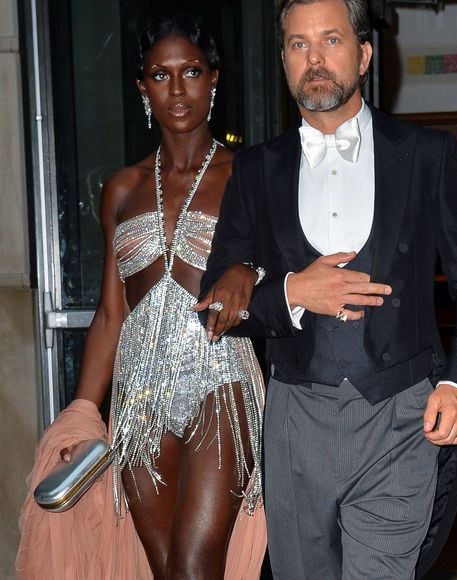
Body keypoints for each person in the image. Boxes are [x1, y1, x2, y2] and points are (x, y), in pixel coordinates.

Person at [198, 0, 457, 578]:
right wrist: (291, 292)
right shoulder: (255, 169)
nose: (314, 58)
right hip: (296, 424)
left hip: (402, 416)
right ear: (285, 62)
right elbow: (216, 305)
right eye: (297, 44)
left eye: (331, 40)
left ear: (364, 54)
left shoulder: (425, 156)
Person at [17, 15, 266, 580]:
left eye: (192, 72)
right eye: (161, 75)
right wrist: (80, 418)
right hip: (139, 395)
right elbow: (111, 314)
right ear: (142, 88)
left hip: (220, 379)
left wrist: (249, 271)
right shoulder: (122, 188)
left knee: (197, 564)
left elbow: (279, 272)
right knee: (165, 571)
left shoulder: (251, 173)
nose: (178, 89)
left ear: (214, 79)